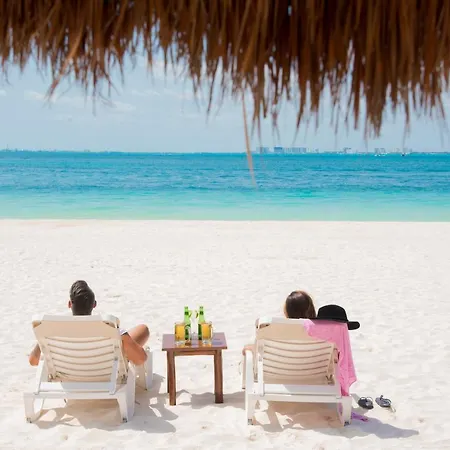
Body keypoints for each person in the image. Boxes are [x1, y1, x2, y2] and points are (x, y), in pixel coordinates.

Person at [28, 280, 149, 366]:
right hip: (105, 371)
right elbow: (140, 359)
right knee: (142, 329)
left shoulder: (51, 330)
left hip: (69, 372)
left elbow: (33, 361)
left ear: (69, 304)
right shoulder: (109, 328)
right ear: (94, 304)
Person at [242, 290, 316, 354]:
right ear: (312, 309)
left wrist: (249, 348)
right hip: (313, 365)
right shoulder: (320, 331)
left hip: (279, 365)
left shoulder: (274, 331)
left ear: (287, 312)